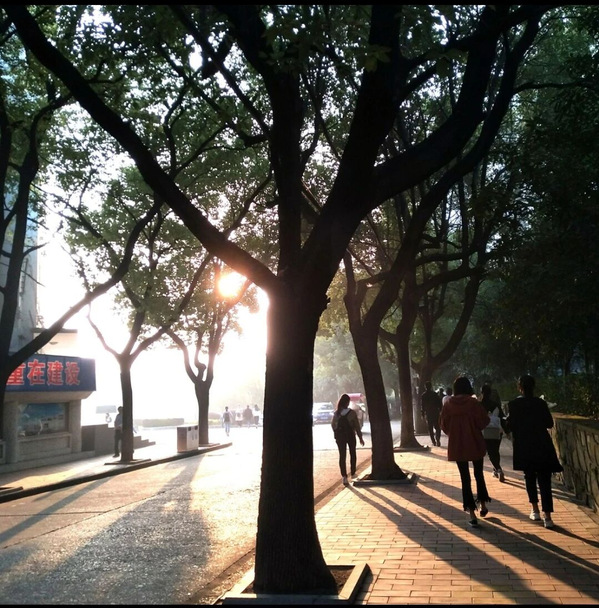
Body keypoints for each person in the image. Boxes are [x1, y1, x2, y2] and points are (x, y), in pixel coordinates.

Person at [504, 374, 563, 529]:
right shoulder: (540, 403)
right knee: (545, 480)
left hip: (524, 446)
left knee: (529, 476)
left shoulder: (514, 405)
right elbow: (549, 423)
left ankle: (535, 510)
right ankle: (548, 517)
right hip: (542, 444)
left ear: (520, 388)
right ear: (534, 387)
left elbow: (510, 426)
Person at [440, 376, 491, 528]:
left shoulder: (448, 404)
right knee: (479, 474)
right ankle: (483, 504)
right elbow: (483, 421)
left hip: (458, 445)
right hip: (475, 442)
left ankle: (472, 514)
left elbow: (443, 425)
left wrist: (454, 432)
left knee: (465, 478)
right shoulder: (473, 403)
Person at [331, 393, 365, 486]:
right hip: (350, 435)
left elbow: (333, 425)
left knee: (342, 456)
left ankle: (344, 477)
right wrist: (360, 437)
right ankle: (353, 473)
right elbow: (357, 426)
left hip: (340, 437)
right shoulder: (352, 413)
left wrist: (337, 434)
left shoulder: (336, 413)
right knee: (352, 453)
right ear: (347, 402)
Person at [479, 384, 507, 482]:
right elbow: (502, 418)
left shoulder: (478, 405)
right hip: (497, 431)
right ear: (490, 393)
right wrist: (507, 430)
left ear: (481, 393)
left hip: (484, 431)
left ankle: (498, 469)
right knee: (495, 451)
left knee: (490, 452)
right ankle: (496, 469)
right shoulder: (496, 405)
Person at [420, 381, 443, 447]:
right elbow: (439, 403)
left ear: (425, 387)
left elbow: (422, 406)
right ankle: (438, 439)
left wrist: (422, 414)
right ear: (431, 386)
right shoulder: (435, 394)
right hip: (435, 412)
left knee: (430, 428)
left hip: (428, 413)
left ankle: (433, 441)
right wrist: (440, 411)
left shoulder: (423, 395)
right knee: (437, 427)